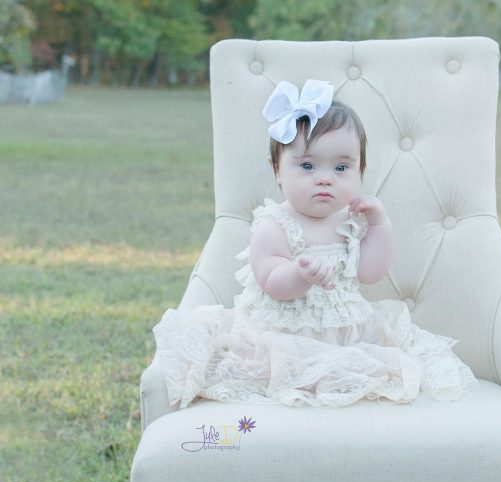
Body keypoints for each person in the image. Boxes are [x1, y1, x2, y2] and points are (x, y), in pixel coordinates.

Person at [153, 79, 479, 409]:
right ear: (277, 170)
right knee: (290, 370)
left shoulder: (351, 222)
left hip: (346, 336)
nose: (325, 178)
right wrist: (299, 274)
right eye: (307, 166)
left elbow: (370, 272)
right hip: (284, 339)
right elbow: (270, 280)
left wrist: (379, 225)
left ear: (360, 170)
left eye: (341, 167)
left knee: (375, 363)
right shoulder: (274, 224)